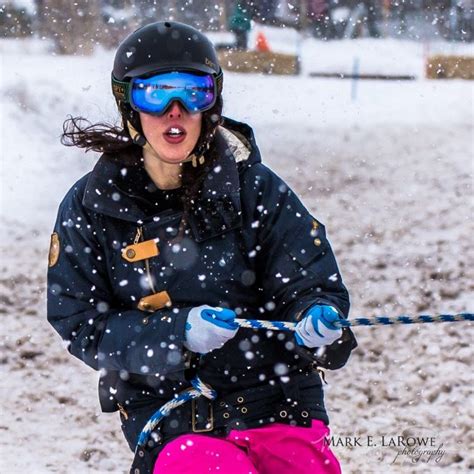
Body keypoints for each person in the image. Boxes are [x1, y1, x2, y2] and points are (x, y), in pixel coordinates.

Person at [47, 21, 357, 473]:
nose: (176, 110)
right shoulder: (92, 205)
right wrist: (177, 334)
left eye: (193, 93)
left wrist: (317, 322)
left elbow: (311, 281)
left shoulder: (257, 189)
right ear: (128, 103)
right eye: (155, 94)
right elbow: (80, 322)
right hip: (173, 416)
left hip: (278, 401)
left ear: (212, 102)